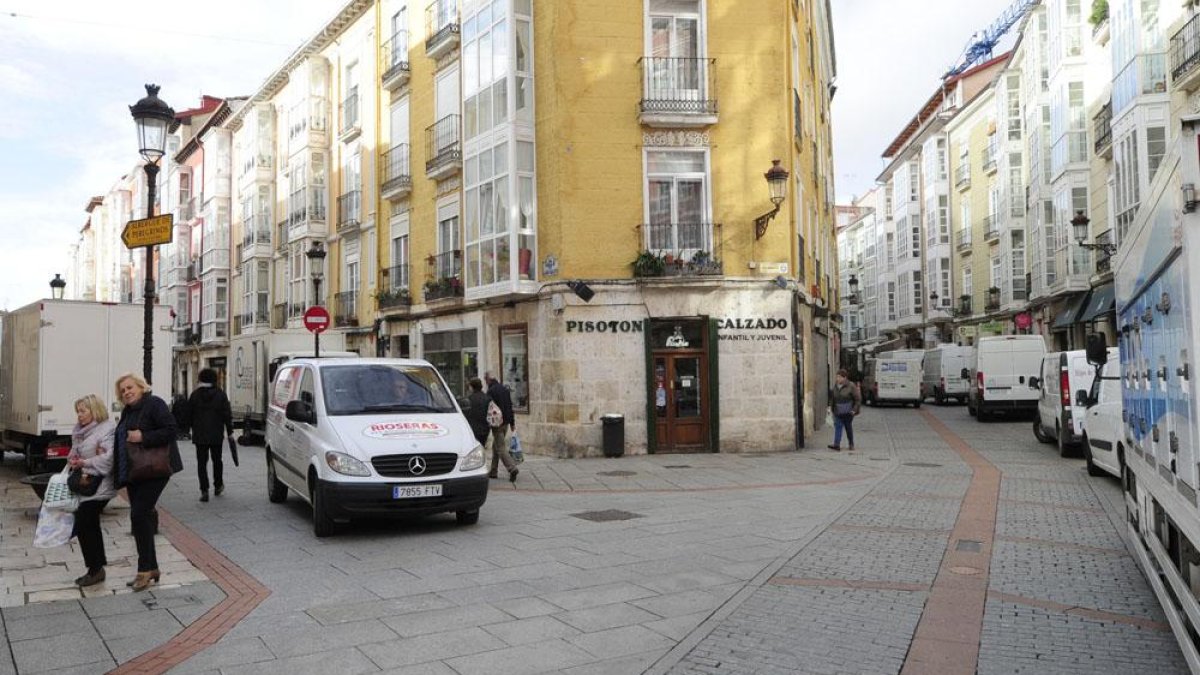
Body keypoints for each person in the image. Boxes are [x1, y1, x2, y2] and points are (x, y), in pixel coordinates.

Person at [113, 372, 183, 591]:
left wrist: (143, 437)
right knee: (140, 518)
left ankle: (143, 571)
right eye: (123, 390)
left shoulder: (154, 404)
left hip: (156, 469)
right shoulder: (128, 411)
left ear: (141, 387)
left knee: (138, 514)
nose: (127, 392)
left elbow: (172, 430)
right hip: (136, 472)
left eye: (130, 387)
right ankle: (151, 568)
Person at [66, 394, 116, 587]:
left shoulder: (106, 429)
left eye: (83, 411)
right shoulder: (79, 431)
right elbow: (75, 452)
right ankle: (96, 568)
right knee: (88, 524)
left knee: (85, 522)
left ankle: (95, 569)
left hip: (100, 484)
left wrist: (85, 462)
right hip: (85, 483)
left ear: (94, 410)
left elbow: (108, 459)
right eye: (77, 411)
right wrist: (72, 458)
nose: (79, 415)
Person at [187, 368, 235, 502]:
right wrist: (229, 430)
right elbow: (227, 414)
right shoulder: (221, 394)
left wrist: (191, 428)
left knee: (201, 463)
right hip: (216, 434)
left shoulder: (195, 395)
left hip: (200, 434)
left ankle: (204, 490)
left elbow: (189, 414)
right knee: (217, 460)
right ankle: (218, 485)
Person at [484, 372, 518, 482]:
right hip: (506, 422)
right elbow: (510, 406)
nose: (485, 382)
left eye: (486, 380)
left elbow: (488, 409)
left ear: (488, 379)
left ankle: (512, 468)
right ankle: (493, 471)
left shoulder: (491, 391)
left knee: (500, 447)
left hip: (497, 423)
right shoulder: (504, 389)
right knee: (496, 446)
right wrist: (512, 423)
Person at [828, 369, 862, 452]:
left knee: (848, 427)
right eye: (837, 377)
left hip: (848, 412)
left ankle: (851, 444)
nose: (838, 379)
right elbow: (833, 398)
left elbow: (857, 399)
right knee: (838, 427)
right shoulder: (836, 386)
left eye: (839, 377)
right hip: (838, 411)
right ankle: (836, 445)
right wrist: (830, 407)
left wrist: (854, 410)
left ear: (845, 378)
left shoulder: (851, 386)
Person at [464, 378, 491, 448]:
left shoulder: (469, 399)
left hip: (473, 429)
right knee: (481, 447)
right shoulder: (487, 398)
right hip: (485, 429)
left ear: (472, 387)